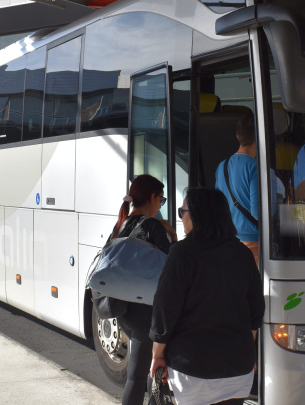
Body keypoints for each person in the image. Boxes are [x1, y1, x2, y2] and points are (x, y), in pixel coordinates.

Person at [149, 188, 264, 405]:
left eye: (183, 211)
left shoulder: (182, 254)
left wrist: (157, 355)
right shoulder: (243, 254)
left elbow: (165, 310)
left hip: (193, 368)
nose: (181, 217)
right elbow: (256, 311)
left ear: (197, 214)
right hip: (238, 369)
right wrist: (246, 350)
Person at [108, 174, 176, 405]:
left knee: (142, 372)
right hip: (146, 309)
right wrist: (173, 235)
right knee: (141, 376)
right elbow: (173, 262)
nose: (160, 205)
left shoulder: (121, 223)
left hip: (124, 308)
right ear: (152, 197)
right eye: (161, 200)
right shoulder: (152, 225)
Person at [215, 112, 260, 261]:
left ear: (237, 137)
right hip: (254, 244)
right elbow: (258, 212)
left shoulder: (222, 166)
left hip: (229, 242)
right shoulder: (254, 168)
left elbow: (218, 208)